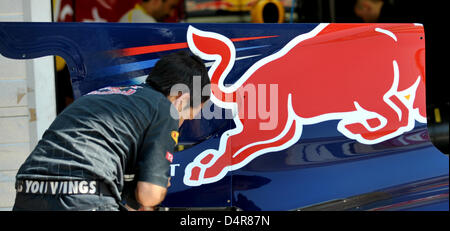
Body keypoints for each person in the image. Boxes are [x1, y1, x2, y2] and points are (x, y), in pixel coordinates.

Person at [13, 51, 210, 211]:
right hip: (81, 195)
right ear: (181, 98)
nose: (184, 122)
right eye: (188, 115)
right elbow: (149, 194)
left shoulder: (104, 95)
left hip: (28, 189)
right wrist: (157, 185)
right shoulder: (165, 109)